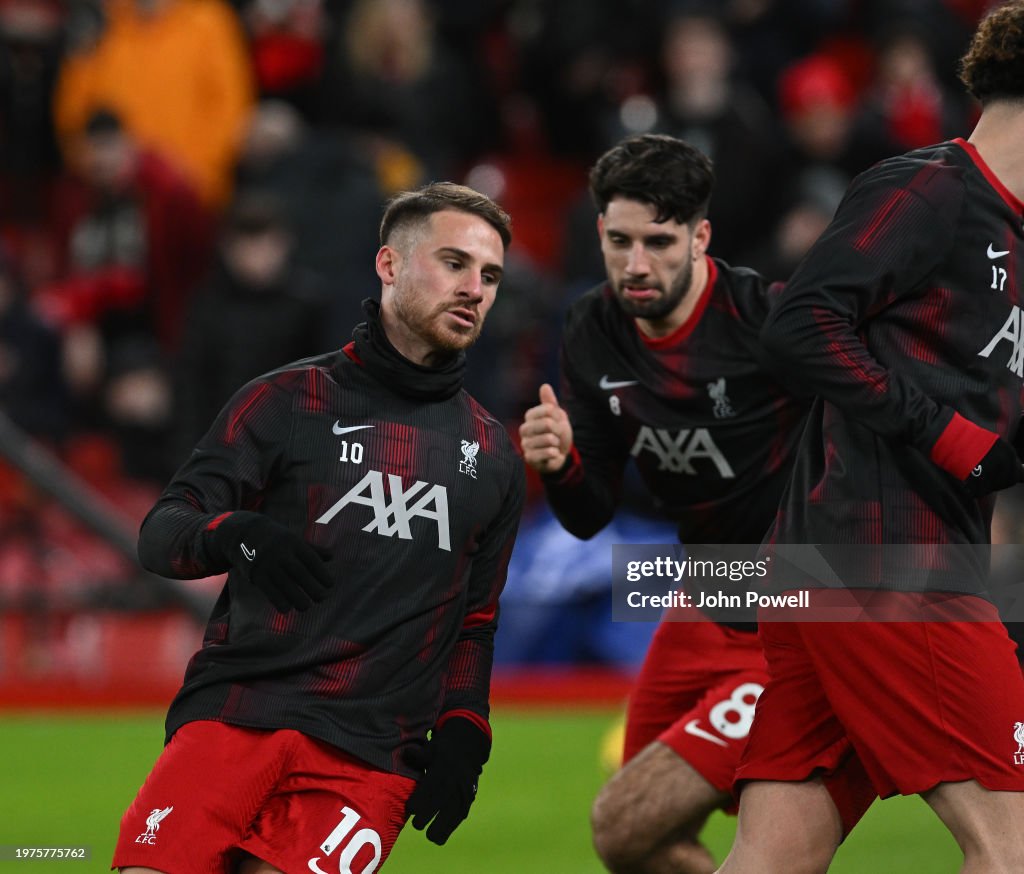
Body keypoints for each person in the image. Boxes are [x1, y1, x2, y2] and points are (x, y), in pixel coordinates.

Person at [113, 181, 526, 874]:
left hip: (369, 756)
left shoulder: (492, 455)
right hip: (239, 712)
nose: (474, 289)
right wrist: (236, 533)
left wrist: (465, 731)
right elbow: (162, 532)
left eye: (489, 276)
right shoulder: (285, 401)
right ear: (389, 265)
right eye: (454, 263)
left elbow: (475, 622)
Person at [717, 3, 1024, 872]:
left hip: (845, 572)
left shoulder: (1012, 233)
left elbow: (991, 410)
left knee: (773, 858)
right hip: (891, 563)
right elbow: (802, 326)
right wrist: (945, 435)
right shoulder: (930, 187)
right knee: (1012, 851)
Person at [518, 133, 871, 874]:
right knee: (631, 842)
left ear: (701, 236)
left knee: (622, 824)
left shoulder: (768, 324)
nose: (636, 264)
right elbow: (589, 513)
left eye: (658, 241)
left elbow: (868, 429)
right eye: (619, 241)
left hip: (793, 604)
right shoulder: (592, 330)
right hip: (703, 589)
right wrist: (561, 463)